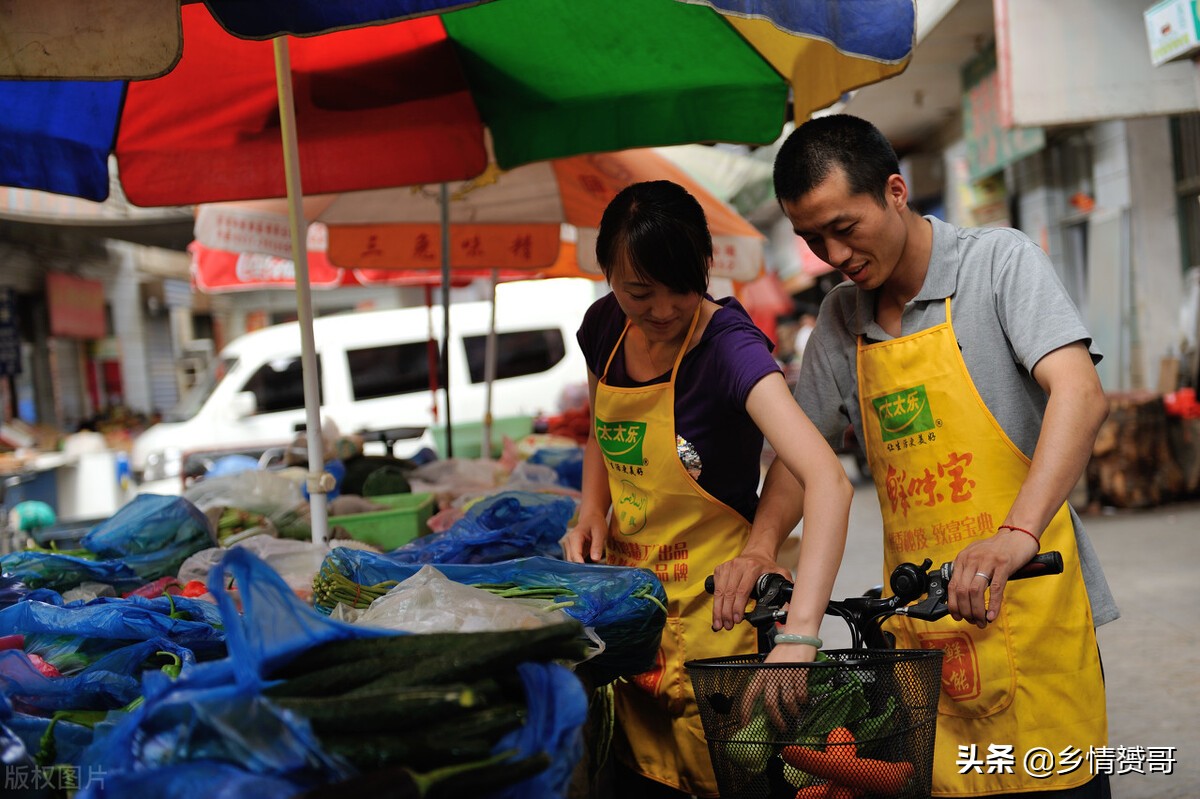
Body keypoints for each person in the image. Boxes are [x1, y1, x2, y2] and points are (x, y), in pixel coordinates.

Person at [729, 114, 1119, 797]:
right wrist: (762, 547)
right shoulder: (840, 320)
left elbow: (1080, 394)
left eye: (844, 227)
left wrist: (1016, 533)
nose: (834, 254)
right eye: (813, 239)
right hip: (920, 633)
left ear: (895, 191)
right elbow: (798, 459)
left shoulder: (997, 264)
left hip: (1029, 605)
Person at [561, 180, 853, 798]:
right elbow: (599, 433)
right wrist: (591, 508)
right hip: (633, 619)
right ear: (607, 275)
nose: (664, 309)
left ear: (706, 264)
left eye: (682, 286)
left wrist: (800, 635)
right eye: (640, 292)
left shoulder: (729, 348)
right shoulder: (602, 328)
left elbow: (826, 478)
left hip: (718, 626)